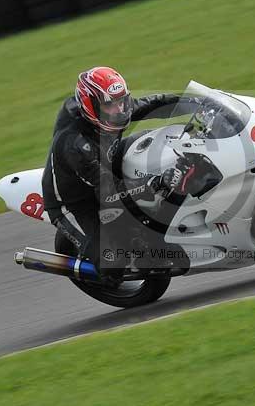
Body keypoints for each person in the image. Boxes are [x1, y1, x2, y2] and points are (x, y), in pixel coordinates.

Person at [42, 67, 193, 282]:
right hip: (75, 202)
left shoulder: (114, 110)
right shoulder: (74, 144)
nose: (120, 109)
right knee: (111, 265)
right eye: (110, 105)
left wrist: (198, 104)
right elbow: (107, 188)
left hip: (105, 164)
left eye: (122, 101)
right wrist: (153, 182)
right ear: (90, 106)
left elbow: (152, 104)